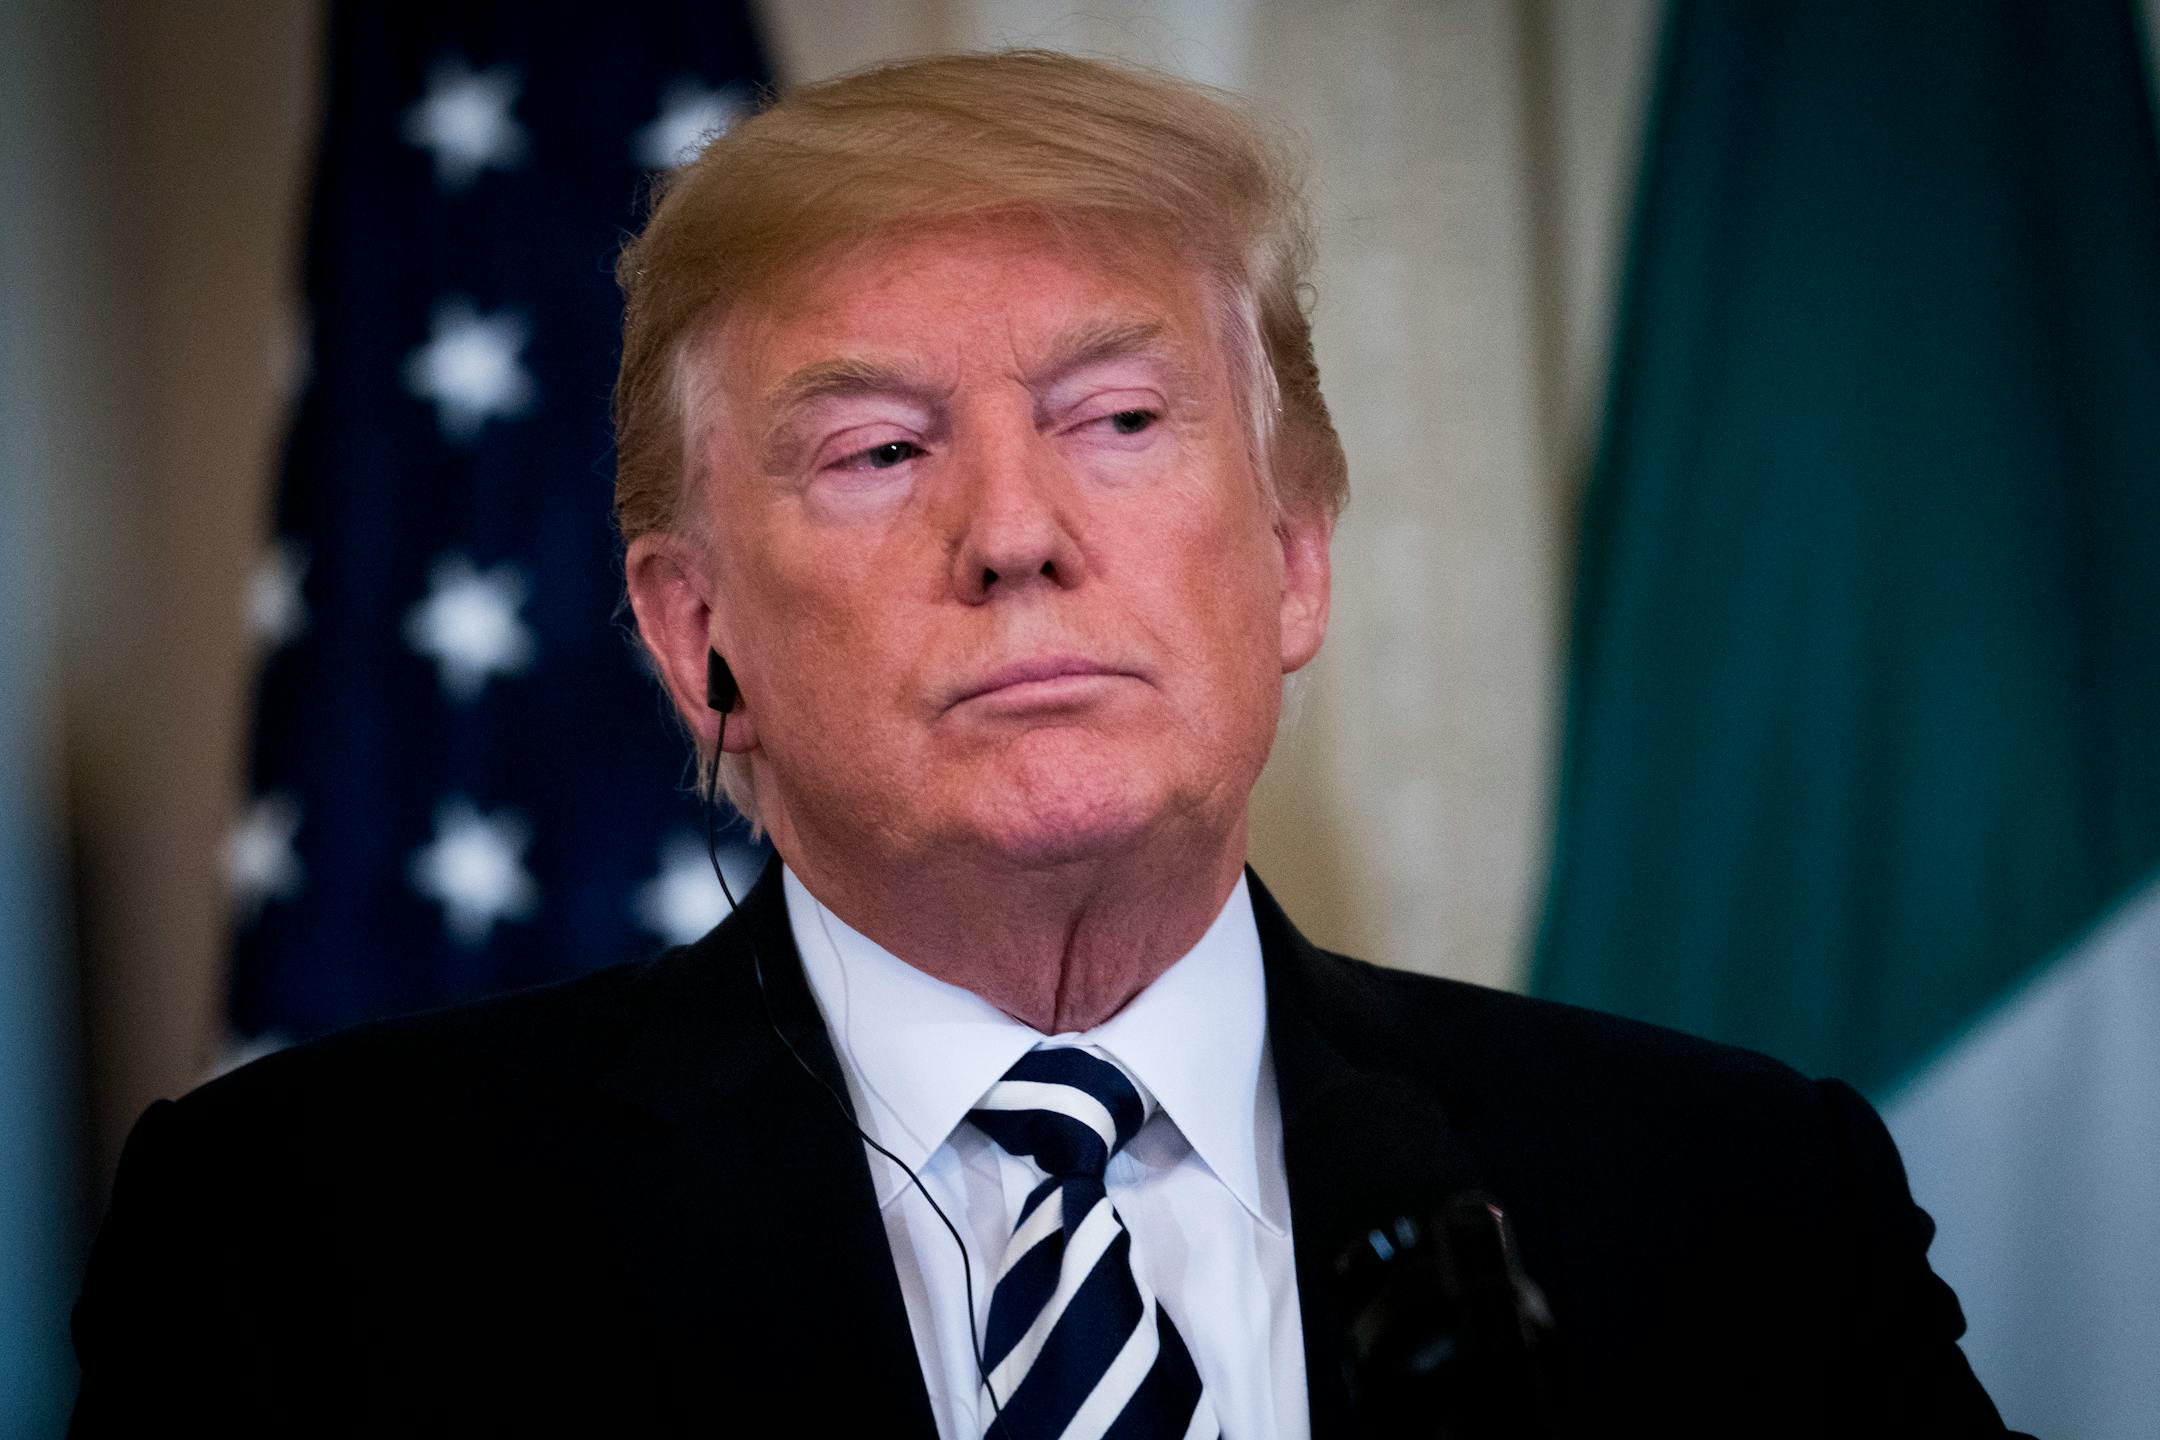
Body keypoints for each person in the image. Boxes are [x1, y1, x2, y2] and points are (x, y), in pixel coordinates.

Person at [70, 51, 2021, 1437]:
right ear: (695, 635)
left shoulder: (1742, 1201)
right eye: (880, 450)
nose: (1014, 533)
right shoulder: (317, 1244)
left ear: (1288, 562)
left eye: (1118, 421)